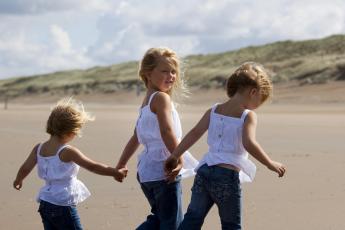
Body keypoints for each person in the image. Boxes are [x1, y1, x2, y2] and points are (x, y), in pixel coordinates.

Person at [165, 62, 286, 230]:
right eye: (260, 100)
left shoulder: (214, 110)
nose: (257, 106)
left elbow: (194, 133)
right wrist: (270, 163)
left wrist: (175, 155)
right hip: (226, 176)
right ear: (253, 92)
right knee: (231, 225)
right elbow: (249, 143)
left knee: (193, 218)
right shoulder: (247, 116)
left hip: (204, 170)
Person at [114, 47, 198, 230]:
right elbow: (167, 131)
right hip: (164, 168)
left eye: (174, 71)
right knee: (171, 223)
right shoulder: (161, 98)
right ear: (148, 73)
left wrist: (121, 164)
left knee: (159, 218)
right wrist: (178, 157)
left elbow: (136, 136)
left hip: (146, 172)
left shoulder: (146, 102)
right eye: (165, 71)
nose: (171, 76)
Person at [13, 98, 127, 230]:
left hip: (45, 202)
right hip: (63, 204)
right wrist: (115, 172)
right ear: (70, 132)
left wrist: (19, 179)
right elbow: (92, 166)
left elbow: (25, 167)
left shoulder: (39, 148)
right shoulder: (67, 151)